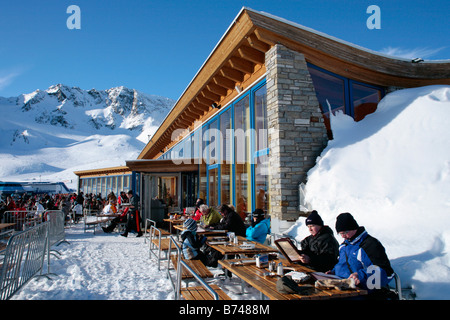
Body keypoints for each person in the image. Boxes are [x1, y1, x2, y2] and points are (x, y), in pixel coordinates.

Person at [328, 212, 394, 295]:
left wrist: (361, 276)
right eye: (340, 233)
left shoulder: (370, 245)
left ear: (353, 228)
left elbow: (387, 272)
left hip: (365, 291)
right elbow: (343, 264)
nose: (343, 236)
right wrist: (334, 272)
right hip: (343, 288)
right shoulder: (344, 246)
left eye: (345, 232)